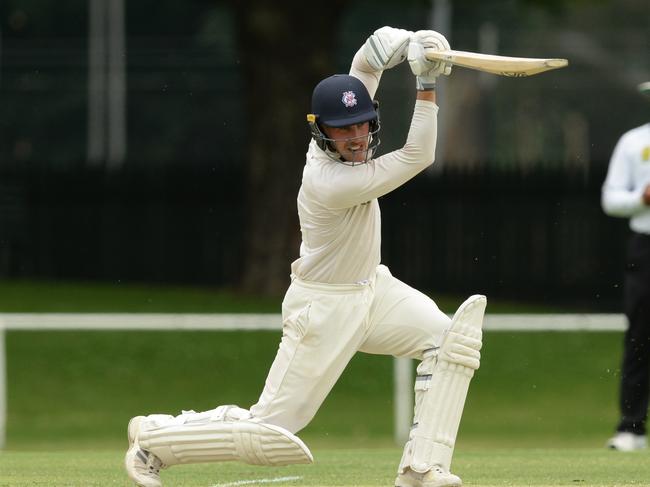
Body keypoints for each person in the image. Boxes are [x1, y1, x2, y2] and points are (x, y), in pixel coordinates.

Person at [125, 26, 487, 487]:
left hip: (373, 290)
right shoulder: (331, 183)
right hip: (324, 307)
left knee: (448, 340)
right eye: (343, 129)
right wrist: (426, 84)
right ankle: (155, 436)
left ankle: (421, 470)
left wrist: (413, 41)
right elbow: (419, 155)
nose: (356, 137)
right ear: (321, 131)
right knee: (271, 431)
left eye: (362, 124)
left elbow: (366, 63)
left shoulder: (350, 146)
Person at [602, 80, 650, 452]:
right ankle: (631, 427)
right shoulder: (634, 142)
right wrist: (641, 197)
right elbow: (611, 199)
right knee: (640, 336)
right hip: (645, 246)